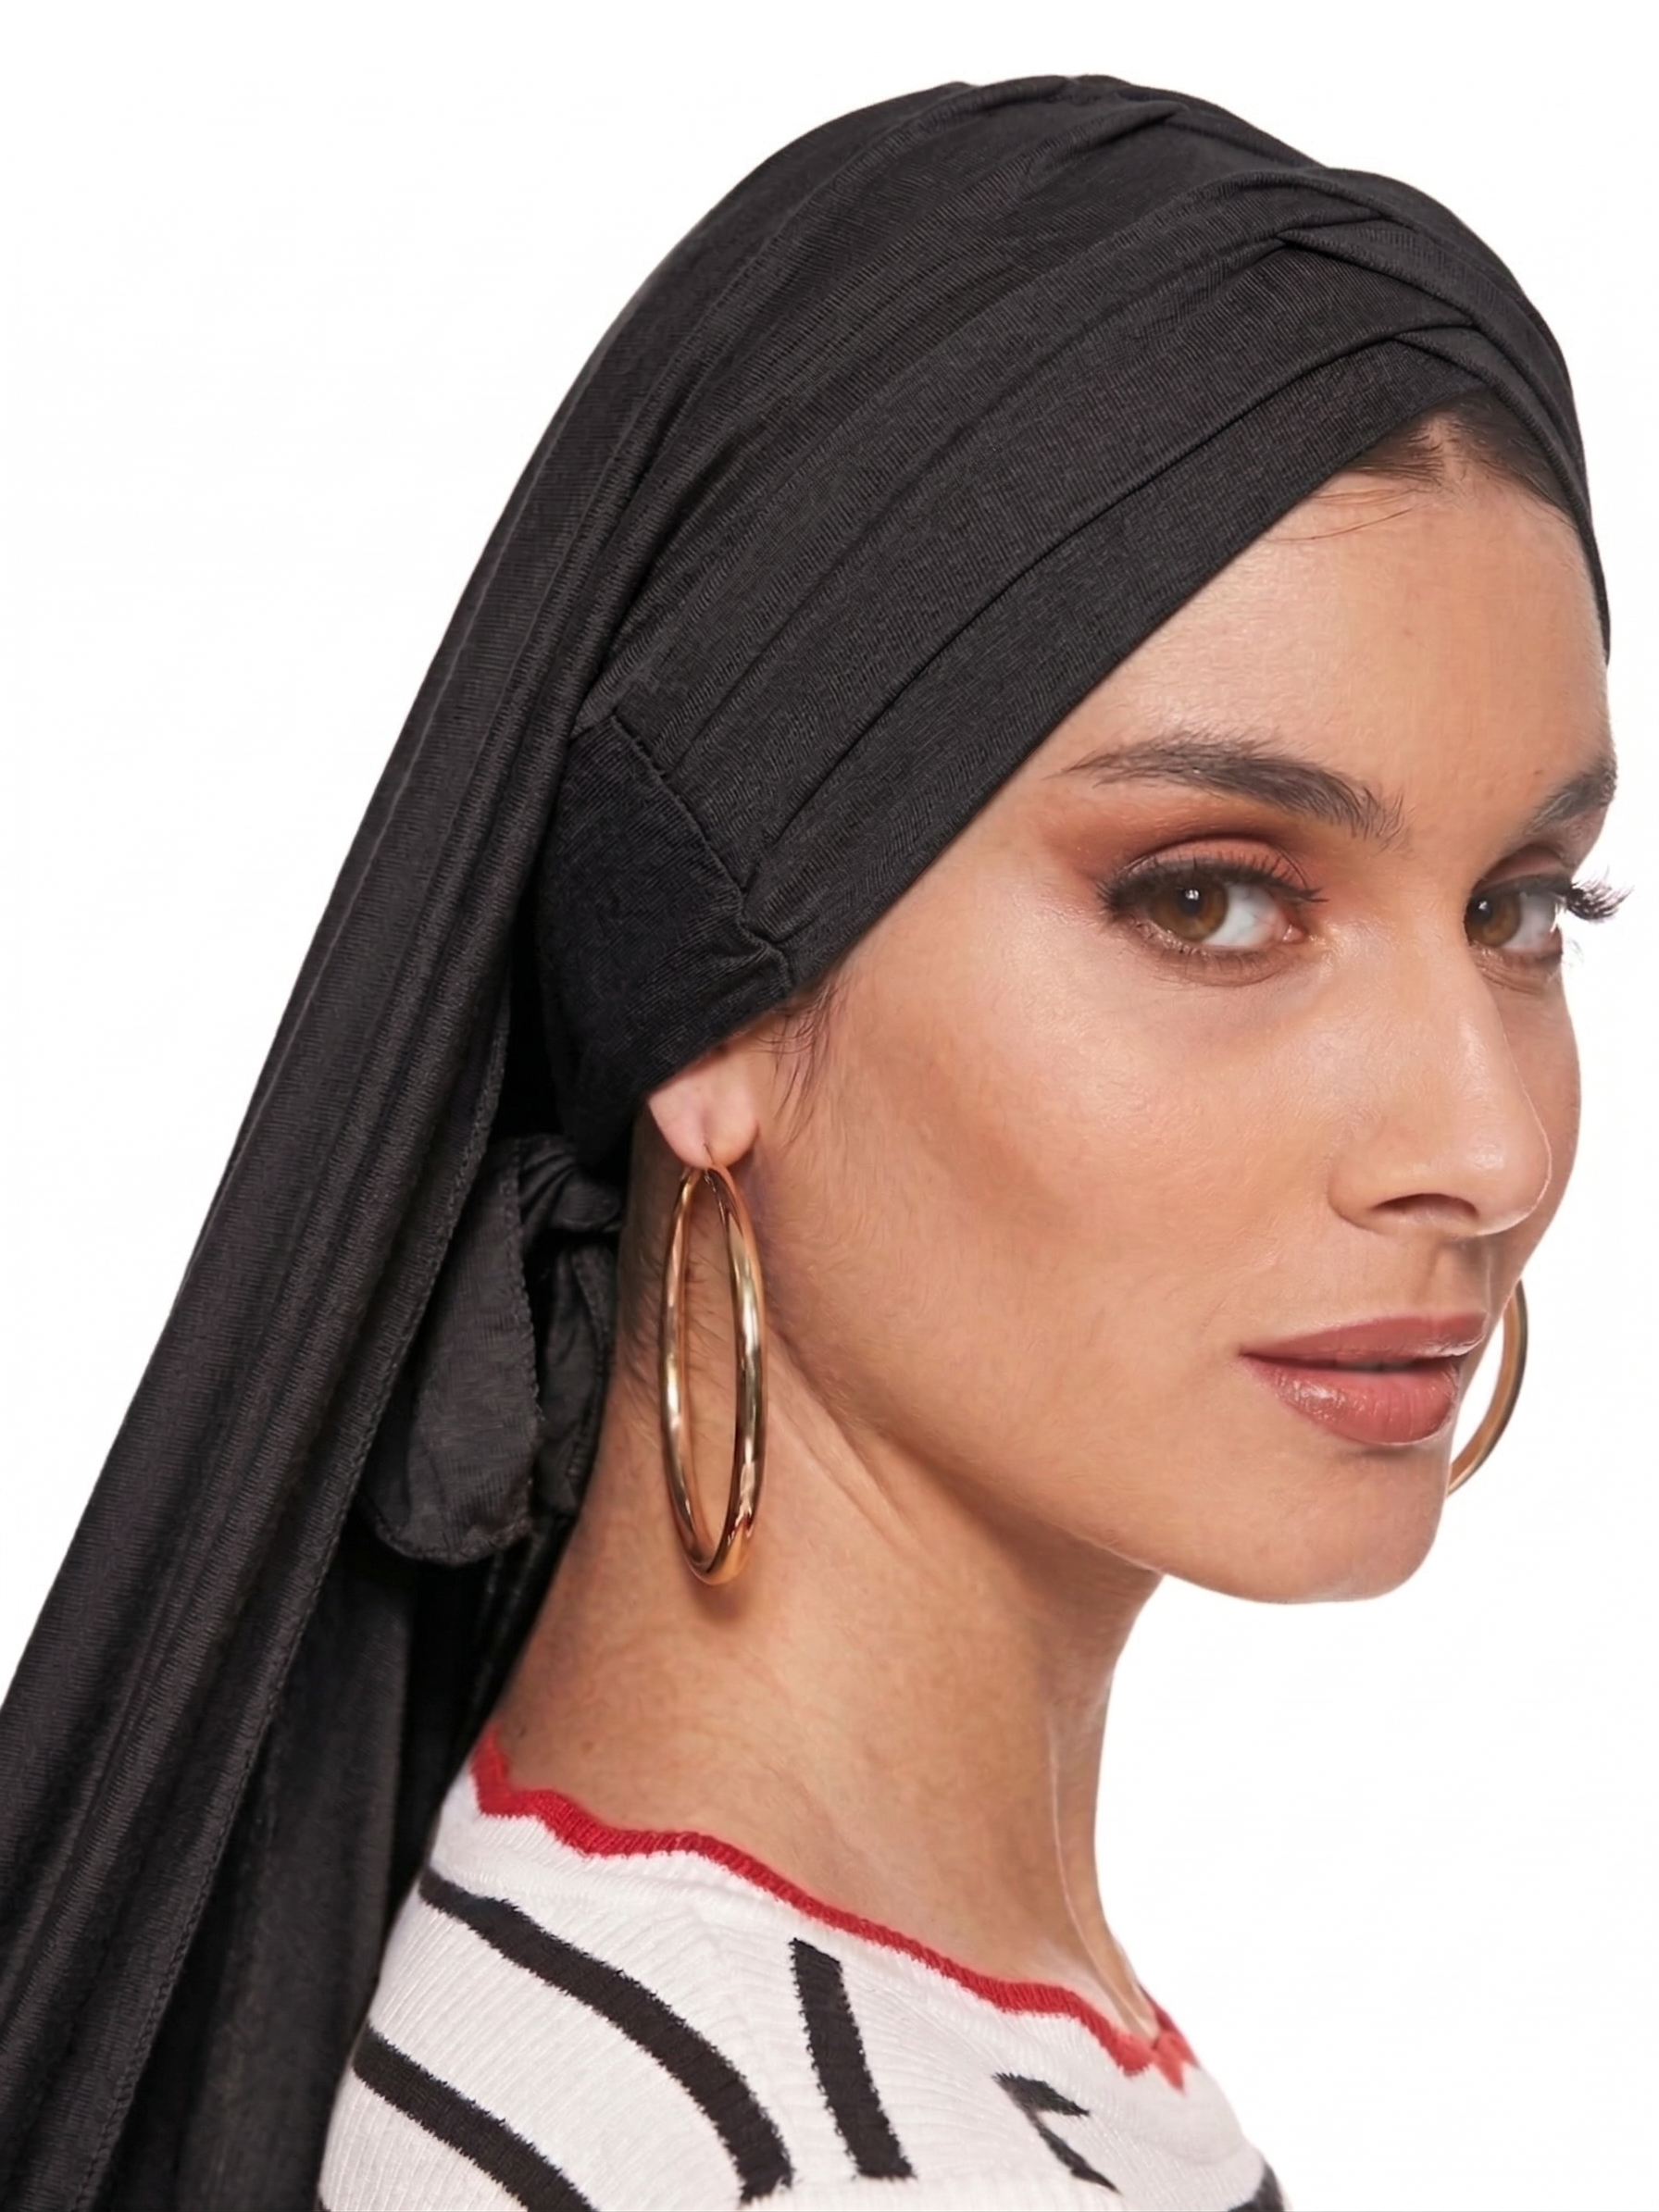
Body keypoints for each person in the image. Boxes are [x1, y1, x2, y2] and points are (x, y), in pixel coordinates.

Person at [0, 73, 1616, 2212]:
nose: (1486, 1143)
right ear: (714, 989)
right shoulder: (767, 2154)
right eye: (1207, 899)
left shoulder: (799, 2036)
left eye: (1518, 906)